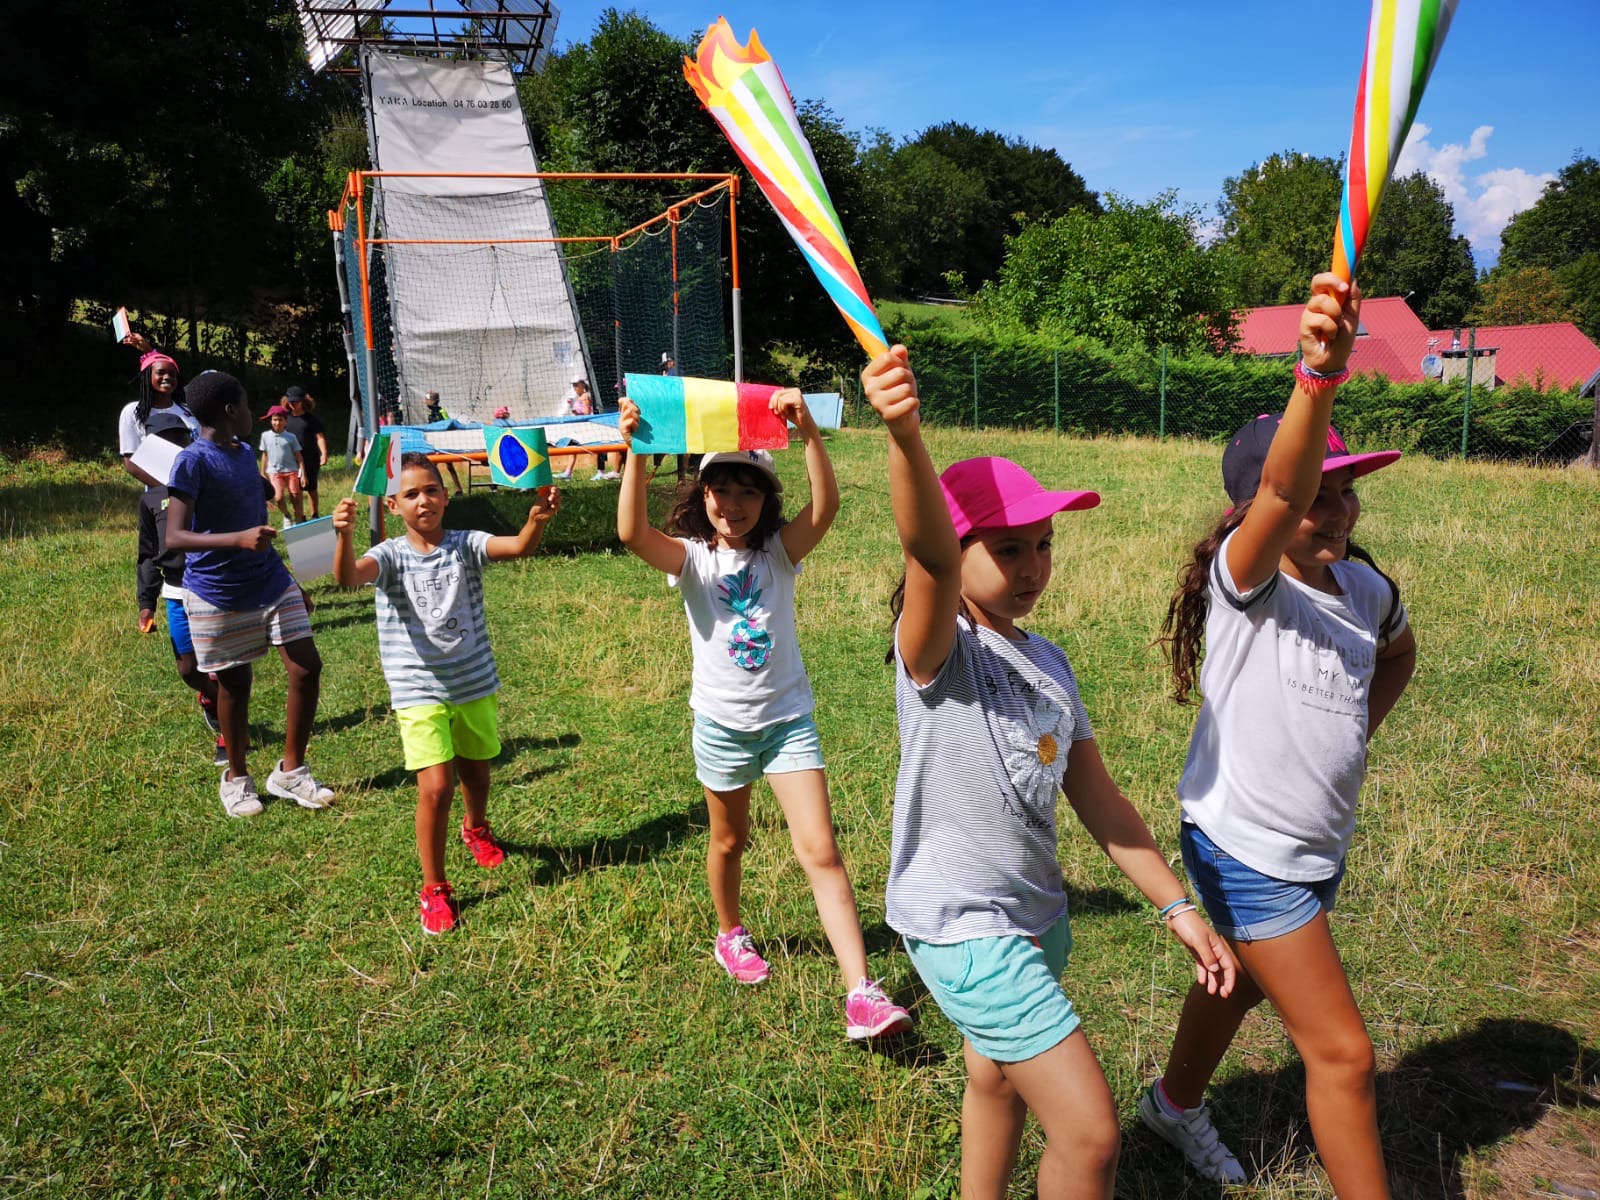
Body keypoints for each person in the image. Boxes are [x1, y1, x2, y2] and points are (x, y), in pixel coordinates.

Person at [861, 344, 1236, 1200]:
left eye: (1044, 543)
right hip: (964, 927)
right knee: (1091, 1136)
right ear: (961, 553)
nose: (1031, 566)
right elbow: (926, 555)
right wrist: (903, 438)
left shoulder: (1052, 664)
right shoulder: (937, 651)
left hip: (1037, 915)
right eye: (1005, 547)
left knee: (995, 1082)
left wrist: (1175, 905)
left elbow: (1098, 797)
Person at [1139, 275, 1417, 1194]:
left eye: (1345, 493)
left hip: (1313, 843)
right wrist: (1316, 375)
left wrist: (1354, 732)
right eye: (1313, 496)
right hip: (1245, 843)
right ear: (1255, 513)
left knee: (1246, 977)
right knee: (1343, 1056)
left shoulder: (1366, 591)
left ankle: (1172, 1105)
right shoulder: (1248, 580)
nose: (1333, 510)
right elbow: (1283, 488)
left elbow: (1396, 655)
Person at [615, 390, 913, 1041]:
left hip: (787, 723)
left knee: (822, 852)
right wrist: (636, 452)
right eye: (719, 488)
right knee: (729, 841)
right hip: (721, 728)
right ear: (702, 497)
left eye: (748, 489)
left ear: (766, 499)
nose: (733, 502)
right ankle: (730, 933)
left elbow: (828, 507)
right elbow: (632, 534)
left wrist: (809, 435)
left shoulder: (780, 552)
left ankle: (861, 991)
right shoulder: (693, 559)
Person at [331, 454, 562, 934]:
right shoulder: (391, 555)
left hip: (473, 681)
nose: (423, 501)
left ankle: (475, 827)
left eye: (431, 490)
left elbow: (518, 548)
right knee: (436, 788)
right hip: (417, 689)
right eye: (411, 494)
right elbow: (348, 577)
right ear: (393, 505)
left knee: (477, 773)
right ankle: (434, 887)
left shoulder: (464, 545)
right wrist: (344, 535)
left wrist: (535, 521)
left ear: (446, 495)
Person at [165, 371, 335, 819]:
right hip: (217, 589)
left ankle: (290, 772)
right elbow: (176, 536)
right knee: (236, 685)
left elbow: (257, 529)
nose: (249, 411)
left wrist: (291, 579)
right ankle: (237, 778)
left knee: (306, 666)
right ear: (229, 410)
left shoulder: (243, 456)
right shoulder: (192, 461)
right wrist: (235, 539)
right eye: (244, 403)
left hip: (269, 580)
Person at [136, 409, 226, 765]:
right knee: (189, 670)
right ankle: (209, 697)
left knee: (220, 665)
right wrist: (146, 605)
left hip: (210, 587)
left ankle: (227, 733)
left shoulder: (205, 483)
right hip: (174, 593)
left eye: (179, 440)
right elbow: (147, 555)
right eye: (163, 442)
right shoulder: (150, 499)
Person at [118, 333, 200, 629]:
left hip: (193, 491)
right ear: (146, 377)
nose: (167, 377)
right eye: (160, 372)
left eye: (172, 373)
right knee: (155, 551)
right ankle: (147, 607)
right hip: (159, 493)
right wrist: (164, 488)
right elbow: (130, 460)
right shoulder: (133, 413)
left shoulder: (187, 412)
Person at [282, 387, 329, 518]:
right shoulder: (285, 419)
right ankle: (300, 514)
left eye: (296, 402)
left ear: (303, 401)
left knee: (311, 486)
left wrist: (324, 453)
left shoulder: (311, 419)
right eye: (291, 402)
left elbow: (320, 437)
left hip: (310, 457)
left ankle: (314, 513)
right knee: (295, 488)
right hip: (291, 458)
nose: (293, 404)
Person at [258, 405, 306, 526]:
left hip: (291, 470)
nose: (277, 422)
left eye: (280, 420)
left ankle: (299, 518)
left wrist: (303, 473)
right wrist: (263, 472)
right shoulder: (265, 436)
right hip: (274, 471)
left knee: (295, 495)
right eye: (275, 419)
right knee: (278, 497)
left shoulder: (291, 437)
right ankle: (286, 514)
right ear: (271, 421)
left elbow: (299, 456)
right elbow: (265, 454)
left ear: (286, 421)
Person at [422, 391, 466, 496]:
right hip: (434, 442)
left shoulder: (441, 411)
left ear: (433, 401)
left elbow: (448, 423)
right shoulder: (430, 414)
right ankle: (436, 489)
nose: (426, 402)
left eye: (428, 400)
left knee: (449, 466)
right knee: (432, 467)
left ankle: (459, 488)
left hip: (444, 442)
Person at [557, 376, 594, 480]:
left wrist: (577, 413)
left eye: (576, 385)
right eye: (573, 386)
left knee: (596, 449)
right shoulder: (578, 397)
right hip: (578, 426)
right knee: (572, 447)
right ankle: (568, 472)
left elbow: (587, 413)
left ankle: (601, 471)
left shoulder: (586, 396)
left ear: (582, 385)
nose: (574, 388)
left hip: (586, 427)